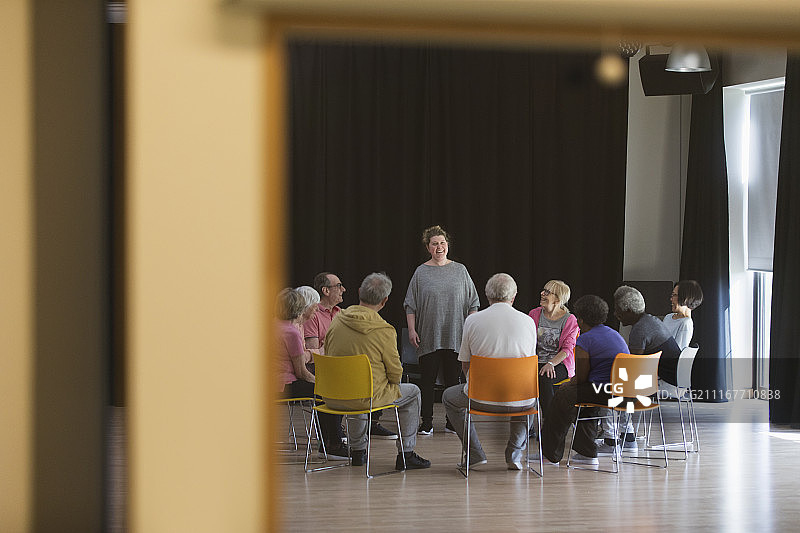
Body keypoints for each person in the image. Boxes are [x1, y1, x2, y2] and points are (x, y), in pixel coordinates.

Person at [324, 273, 431, 470]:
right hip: (366, 398)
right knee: (413, 392)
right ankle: (406, 453)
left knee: (358, 388)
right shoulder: (384, 330)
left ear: (359, 292)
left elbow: (328, 354)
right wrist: (388, 383)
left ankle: (358, 452)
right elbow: (395, 373)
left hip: (331, 396)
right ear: (385, 300)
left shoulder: (337, 320)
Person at [442, 273, 539, 470]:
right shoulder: (529, 321)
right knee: (531, 400)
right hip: (520, 398)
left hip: (480, 398)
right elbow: (528, 365)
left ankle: (475, 454)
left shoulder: (473, 320)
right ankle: (514, 453)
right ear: (514, 296)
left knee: (448, 397)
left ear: (487, 295)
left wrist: (475, 384)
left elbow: (465, 363)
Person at [404, 225, 480, 435]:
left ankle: (451, 422)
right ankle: (426, 422)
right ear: (428, 247)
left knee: (453, 382)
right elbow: (410, 305)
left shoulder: (460, 270)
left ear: (448, 245)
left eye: (442, 243)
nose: (439, 247)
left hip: (456, 336)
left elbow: (473, 302)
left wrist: (469, 328)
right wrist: (411, 330)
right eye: (434, 243)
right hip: (428, 335)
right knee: (427, 381)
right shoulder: (421, 272)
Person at [306, 272, 398, 440]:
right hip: (329, 377)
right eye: (339, 286)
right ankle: (404, 450)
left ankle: (368, 427)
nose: (343, 289)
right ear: (325, 290)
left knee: (369, 369)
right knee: (385, 381)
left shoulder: (341, 315)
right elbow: (314, 353)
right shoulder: (315, 315)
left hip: (340, 381)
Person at [541, 295, 630, 466]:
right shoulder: (614, 334)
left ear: (580, 319)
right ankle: (586, 452)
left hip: (604, 392)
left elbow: (581, 377)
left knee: (562, 396)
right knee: (582, 399)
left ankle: (550, 455)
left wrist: (567, 384)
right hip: (624, 391)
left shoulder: (585, 339)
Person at [596, 285, 683, 453]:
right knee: (620, 384)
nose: (615, 314)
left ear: (629, 310)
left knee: (607, 386)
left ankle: (610, 439)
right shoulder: (651, 320)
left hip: (664, 384)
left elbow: (632, 369)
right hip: (673, 379)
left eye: (618, 310)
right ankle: (627, 437)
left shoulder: (639, 330)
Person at [275, 288, 349, 460]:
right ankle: (333, 444)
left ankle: (328, 443)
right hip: (284, 385)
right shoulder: (291, 332)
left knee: (324, 389)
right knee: (329, 391)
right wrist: (321, 382)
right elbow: (302, 372)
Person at [528, 280, 579, 418]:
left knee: (545, 378)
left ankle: (550, 421)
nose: (542, 293)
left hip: (559, 363)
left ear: (557, 299)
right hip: (536, 361)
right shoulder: (534, 314)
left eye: (547, 292)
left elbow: (567, 349)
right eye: (543, 290)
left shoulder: (570, 320)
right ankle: (528, 422)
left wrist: (551, 363)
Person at [663, 280, 704, 350]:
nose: (671, 299)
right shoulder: (668, 317)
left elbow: (677, 352)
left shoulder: (686, 323)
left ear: (686, 298)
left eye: (675, 295)